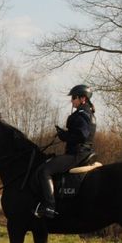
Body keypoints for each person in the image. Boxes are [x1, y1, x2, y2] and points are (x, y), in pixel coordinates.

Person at [33, 84, 96, 218]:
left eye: (74, 98)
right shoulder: (88, 112)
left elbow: (82, 135)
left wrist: (64, 136)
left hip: (77, 154)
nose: (72, 100)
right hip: (81, 152)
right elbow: (79, 133)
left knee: (45, 170)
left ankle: (49, 206)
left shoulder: (82, 114)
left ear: (83, 99)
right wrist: (65, 134)